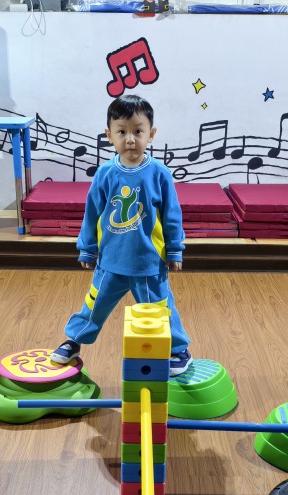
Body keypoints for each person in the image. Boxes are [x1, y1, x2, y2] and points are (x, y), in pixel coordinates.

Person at [49, 94, 192, 376]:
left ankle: (179, 350)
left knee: (160, 310)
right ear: (109, 135)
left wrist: (175, 249)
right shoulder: (105, 174)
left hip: (149, 264)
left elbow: (172, 215)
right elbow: (92, 213)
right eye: (122, 132)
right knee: (93, 305)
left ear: (151, 134)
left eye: (138, 131)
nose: (130, 139)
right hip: (110, 263)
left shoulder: (160, 173)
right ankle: (73, 340)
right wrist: (87, 248)